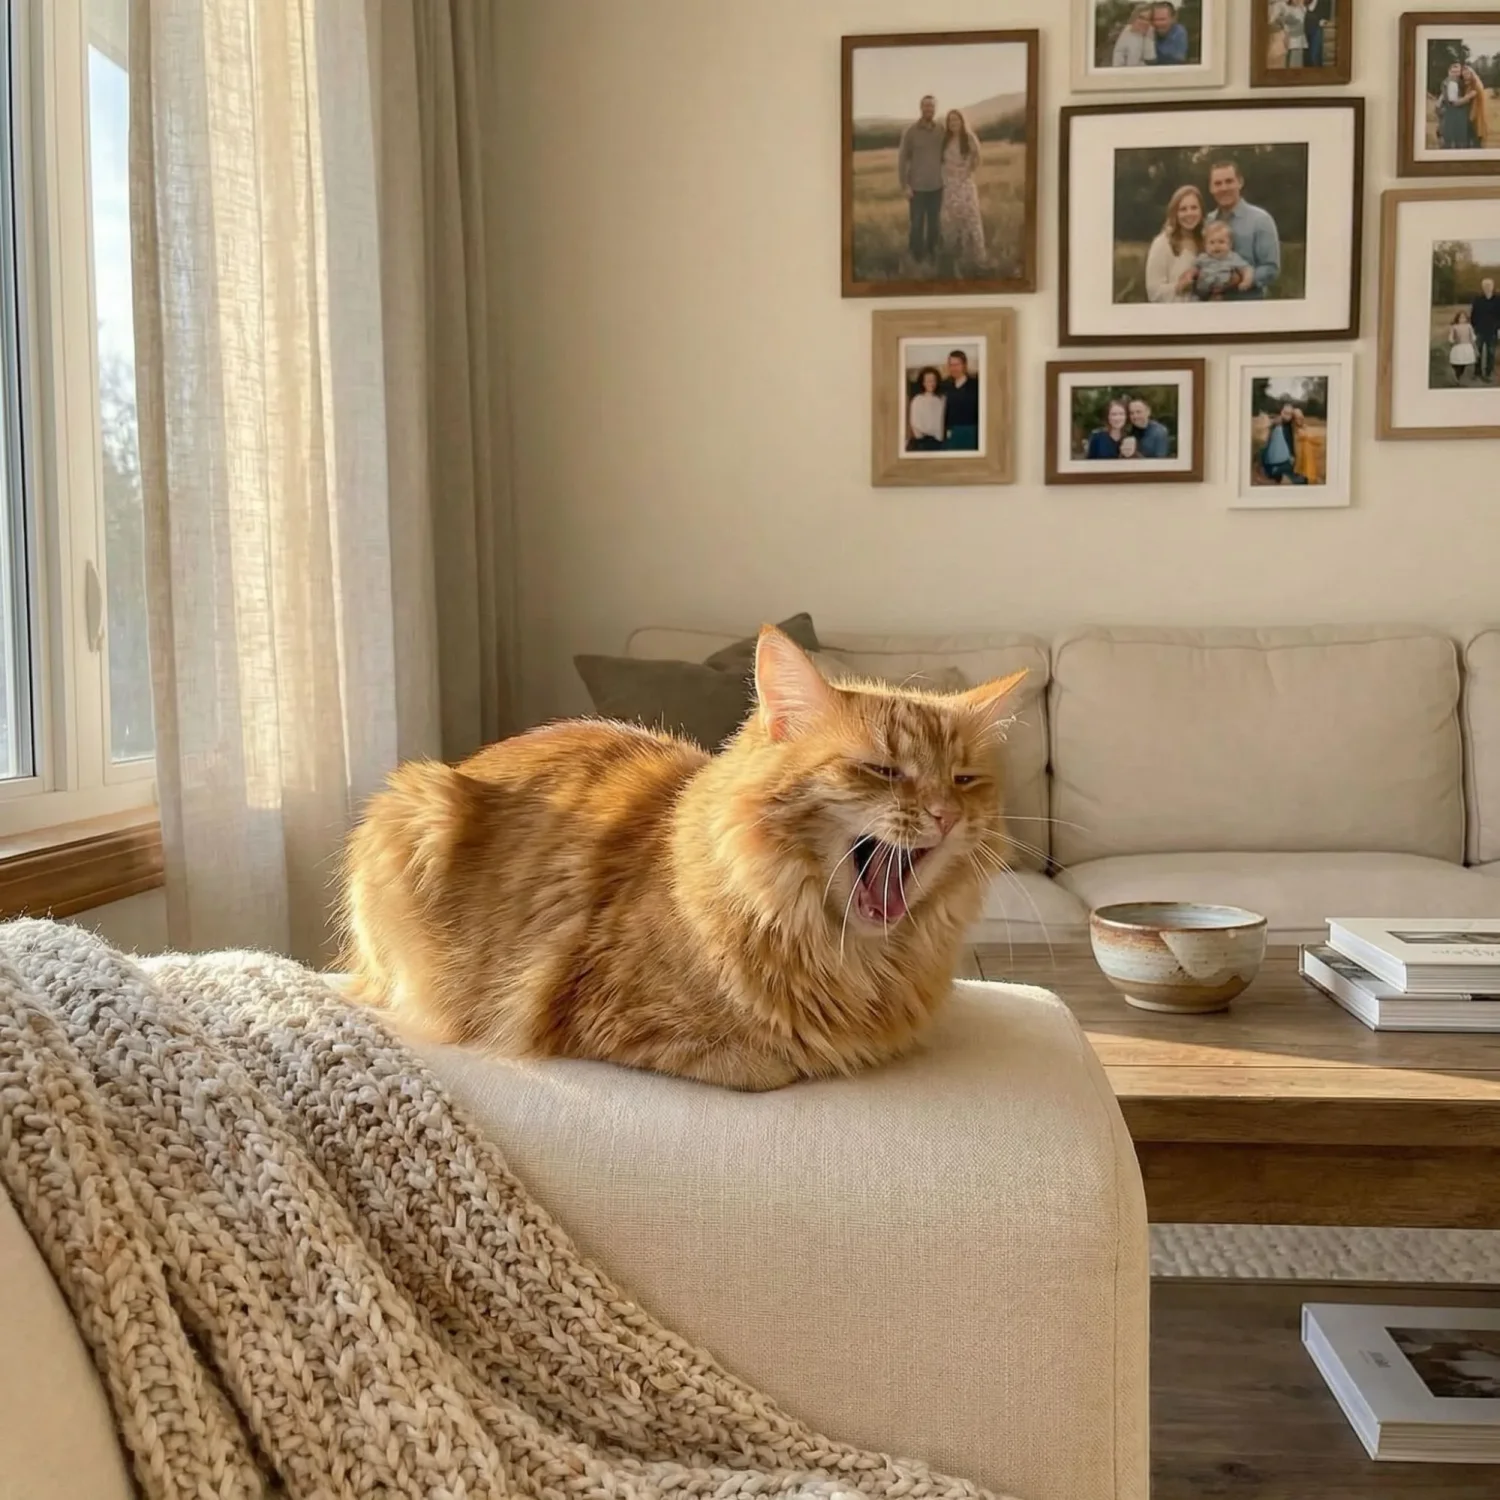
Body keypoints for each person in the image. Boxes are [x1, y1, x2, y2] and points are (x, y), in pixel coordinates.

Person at [1207, 159, 1280, 298]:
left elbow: (1271, 269)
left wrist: (1238, 279)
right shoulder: (1208, 221)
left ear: (1240, 182)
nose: (1223, 188)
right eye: (1217, 183)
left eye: (1229, 181)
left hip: (1250, 306)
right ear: (1211, 188)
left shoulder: (1261, 220)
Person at [897, 95, 944, 264]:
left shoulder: (941, 130)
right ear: (920, 108)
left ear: (935, 109)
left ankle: (933, 256)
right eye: (926, 106)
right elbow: (902, 160)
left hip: (937, 186)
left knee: (935, 225)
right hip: (916, 188)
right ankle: (915, 258)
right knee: (916, 225)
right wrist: (904, 185)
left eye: (931, 106)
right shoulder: (911, 131)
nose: (929, 109)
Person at [938, 109, 987, 270]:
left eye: (956, 120)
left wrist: (966, 171)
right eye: (950, 121)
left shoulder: (969, 138)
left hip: (964, 184)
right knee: (951, 219)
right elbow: (941, 162)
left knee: (969, 217)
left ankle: (975, 257)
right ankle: (954, 256)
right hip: (949, 186)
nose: (953, 124)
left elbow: (977, 158)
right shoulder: (946, 140)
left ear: (962, 121)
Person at [1145, 184, 1207, 303]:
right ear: (1175, 213)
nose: (1189, 213)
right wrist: (1179, 286)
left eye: (1194, 208)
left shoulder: (1207, 241)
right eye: (1183, 209)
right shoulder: (1162, 244)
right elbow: (1154, 292)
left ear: (1201, 211)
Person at [1192, 220, 1253, 300]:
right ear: (1205, 245)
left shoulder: (1232, 257)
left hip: (1224, 291)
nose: (1216, 246)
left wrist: (1246, 281)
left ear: (1230, 244)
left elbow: (1246, 269)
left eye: (1221, 242)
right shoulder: (1203, 257)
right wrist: (1189, 276)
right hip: (1202, 292)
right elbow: (1193, 269)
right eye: (1212, 242)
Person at [941, 350, 980, 451]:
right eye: (951, 365)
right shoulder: (945, 385)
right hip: (952, 433)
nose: (954, 368)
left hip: (972, 432)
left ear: (964, 365)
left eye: (957, 364)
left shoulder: (976, 385)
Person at [1260, 404, 1308, 484]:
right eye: (1285, 413)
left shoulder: (1289, 425)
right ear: (1281, 412)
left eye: (1290, 414)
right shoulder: (1278, 425)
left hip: (1285, 461)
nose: (1287, 416)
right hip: (1277, 463)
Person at [1438, 62, 1476, 151]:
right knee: (1454, 141)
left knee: (1451, 139)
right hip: (1453, 115)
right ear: (1449, 72)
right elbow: (1454, 102)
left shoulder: (1448, 82)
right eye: (1453, 72)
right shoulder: (1452, 84)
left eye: (1458, 72)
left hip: (1450, 115)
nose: (1456, 74)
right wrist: (1468, 97)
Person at [906, 367, 946, 451]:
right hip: (922, 442)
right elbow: (915, 423)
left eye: (933, 380)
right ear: (923, 382)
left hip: (939, 442)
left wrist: (939, 437)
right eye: (928, 381)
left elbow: (941, 422)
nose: (931, 383)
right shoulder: (918, 400)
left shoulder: (941, 399)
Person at [1472, 276, 1500, 384]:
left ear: (1493, 287)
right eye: (1485, 286)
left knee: (1491, 352)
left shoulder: (1498, 299)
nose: (1487, 287)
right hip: (1479, 330)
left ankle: (1488, 373)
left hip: (1493, 330)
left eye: (1489, 285)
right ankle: (1477, 372)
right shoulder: (1478, 299)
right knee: (1477, 352)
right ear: (1482, 287)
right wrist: (1473, 328)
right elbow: (1474, 314)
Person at [1273, 0, 1308, 70]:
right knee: (1289, 60)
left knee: (1297, 60)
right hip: (1289, 37)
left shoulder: (1303, 9)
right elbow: (1278, 21)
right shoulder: (1285, 8)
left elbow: (1302, 22)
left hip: (1299, 37)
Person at [1449, 309, 1478, 384]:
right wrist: (1452, 341)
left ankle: (1459, 375)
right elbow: (1451, 337)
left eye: (1464, 318)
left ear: (1466, 319)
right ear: (1457, 318)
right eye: (1460, 318)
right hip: (1458, 347)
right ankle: (1457, 374)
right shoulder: (1455, 327)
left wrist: (1474, 344)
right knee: (1456, 362)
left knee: (1464, 362)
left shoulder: (1468, 326)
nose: (1462, 319)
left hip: (1467, 346)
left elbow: (1472, 336)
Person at [1467, 65, 1491, 151]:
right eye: (1464, 74)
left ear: (1472, 74)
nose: (1466, 76)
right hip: (1473, 118)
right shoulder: (1470, 85)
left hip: (1475, 118)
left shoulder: (1476, 85)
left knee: (1476, 143)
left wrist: (1470, 118)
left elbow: (1475, 105)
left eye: (1468, 74)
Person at [1304, 0, 1326, 68]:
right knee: (1305, 55)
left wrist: (1324, 20)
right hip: (1303, 28)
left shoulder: (1323, 2)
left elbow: (1326, 14)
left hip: (1316, 28)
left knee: (1314, 55)